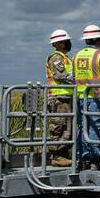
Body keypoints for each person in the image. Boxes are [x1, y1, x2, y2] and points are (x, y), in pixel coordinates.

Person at [73, 24, 100, 169]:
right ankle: (97, 159)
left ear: (86, 40)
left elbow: (72, 77)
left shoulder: (77, 56)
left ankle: (83, 159)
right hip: (97, 97)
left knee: (83, 127)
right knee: (96, 128)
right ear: (99, 40)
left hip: (80, 97)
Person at [44, 28, 74, 166]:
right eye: (65, 41)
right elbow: (60, 75)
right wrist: (77, 80)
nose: (68, 43)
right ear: (58, 43)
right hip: (58, 96)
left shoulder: (65, 57)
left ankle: (63, 155)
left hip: (65, 95)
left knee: (68, 127)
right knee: (58, 126)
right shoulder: (56, 57)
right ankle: (56, 156)